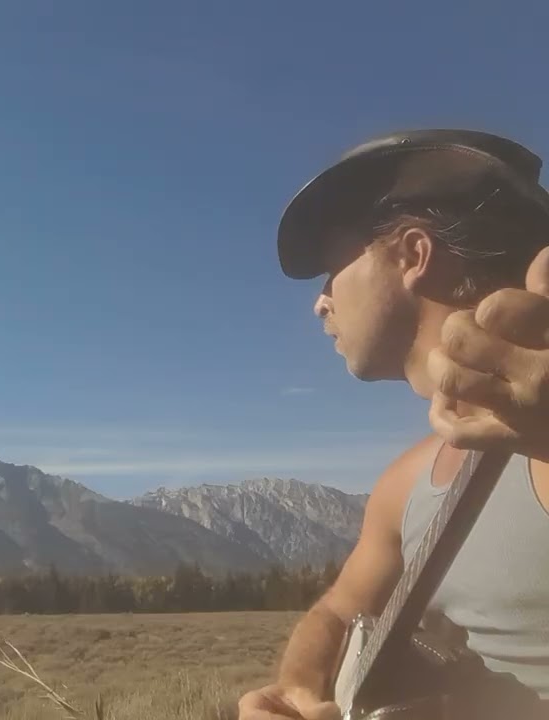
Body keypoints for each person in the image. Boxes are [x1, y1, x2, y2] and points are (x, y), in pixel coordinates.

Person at [237, 128, 549, 720]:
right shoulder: (405, 484)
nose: (320, 302)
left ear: (412, 255)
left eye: (332, 269)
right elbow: (335, 611)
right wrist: (298, 686)